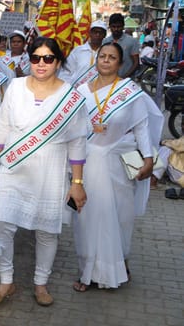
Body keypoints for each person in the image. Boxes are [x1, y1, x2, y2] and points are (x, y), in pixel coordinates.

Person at [0, 37, 88, 307]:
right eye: (35, 58)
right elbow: (2, 126)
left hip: (50, 169)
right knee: (2, 225)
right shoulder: (16, 87)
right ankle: (5, 281)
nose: (41, 63)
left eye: (48, 58)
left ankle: (41, 284)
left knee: (46, 230)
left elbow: (78, 141)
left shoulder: (70, 97)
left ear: (58, 62)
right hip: (13, 167)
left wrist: (77, 182)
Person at [73, 43, 163, 291]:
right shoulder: (81, 91)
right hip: (87, 164)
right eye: (102, 56)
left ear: (120, 64)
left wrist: (148, 159)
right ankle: (87, 271)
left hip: (117, 164)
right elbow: (72, 128)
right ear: (96, 60)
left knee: (120, 217)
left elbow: (141, 126)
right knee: (86, 218)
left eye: (112, 57)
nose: (105, 60)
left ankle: (120, 263)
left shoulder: (130, 92)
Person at [59, 20, 107, 88]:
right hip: (76, 90)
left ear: (104, 35)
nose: (97, 35)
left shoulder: (107, 53)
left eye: (100, 32)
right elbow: (65, 71)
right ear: (90, 33)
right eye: (95, 32)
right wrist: (70, 87)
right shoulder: (78, 51)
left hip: (97, 90)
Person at [103, 13, 140, 78]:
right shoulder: (105, 42)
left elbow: (136, 63)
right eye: (114, 27)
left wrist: (124, 78)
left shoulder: (132, 41)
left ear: (123, 27)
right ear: (110, 27)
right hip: (108, 79)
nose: (116, 29)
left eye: (119, 27)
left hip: (126, 80)